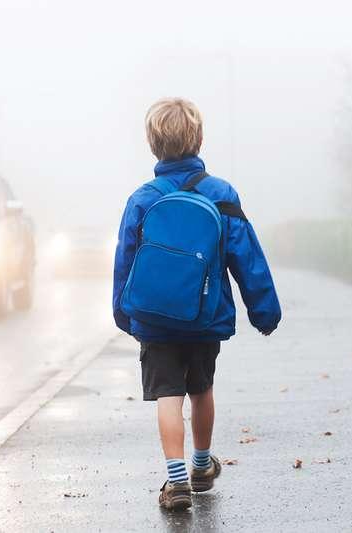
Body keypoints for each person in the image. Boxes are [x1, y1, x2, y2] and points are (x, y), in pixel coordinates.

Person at [112, 97, 281, 510]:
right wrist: (264, 310)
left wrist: (123, 311)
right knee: (201, 387)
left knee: (168, 395)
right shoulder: (221, 193)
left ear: (152, 143)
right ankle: (202, 466)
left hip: (154, 318)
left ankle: (175, 482)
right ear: (199, 139)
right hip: (206, 315)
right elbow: (246, 254)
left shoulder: (142, 198)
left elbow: (125, 260)